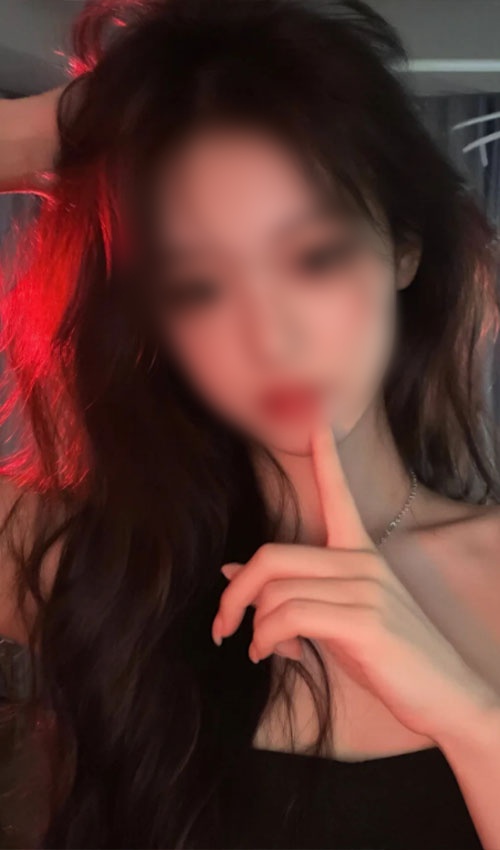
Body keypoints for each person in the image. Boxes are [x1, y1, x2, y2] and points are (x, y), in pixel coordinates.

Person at [0, 0, 500, 847]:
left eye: (314, 257)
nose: (270, 337)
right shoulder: (83, 561)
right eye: (200, 286)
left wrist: (468, 717)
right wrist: (67, 127)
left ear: (404, 250)